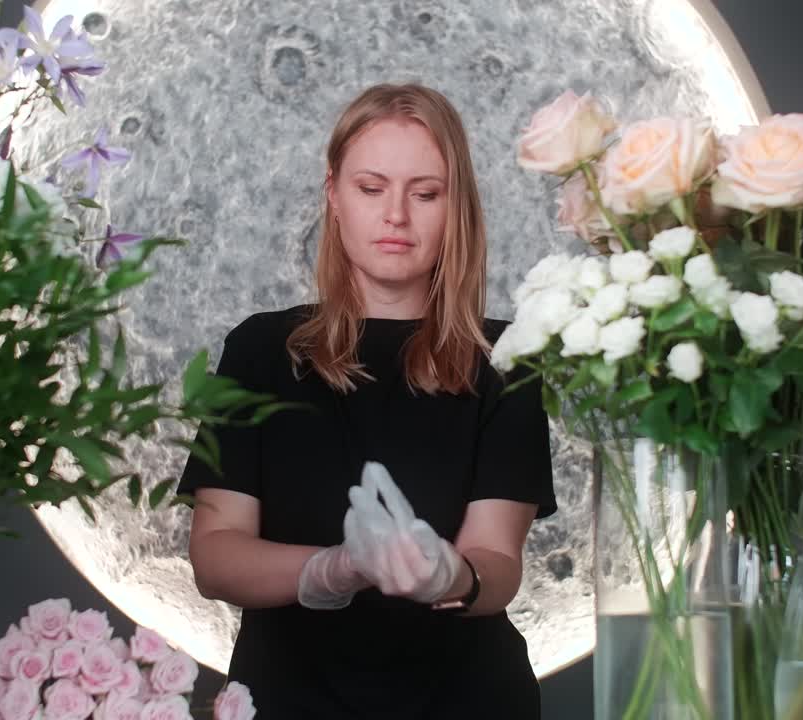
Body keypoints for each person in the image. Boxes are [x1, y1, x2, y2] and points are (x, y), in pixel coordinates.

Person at [177, 82, 556, 720]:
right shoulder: (262, 351)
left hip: (469, 703)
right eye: (371, 188)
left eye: (426, 193)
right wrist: (334, 568)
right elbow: (215, 554)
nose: (397, 216)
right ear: (334, 195)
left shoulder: (506, 358)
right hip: (283, 702)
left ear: (456, 205)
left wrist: (450, 576)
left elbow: (498, 559)